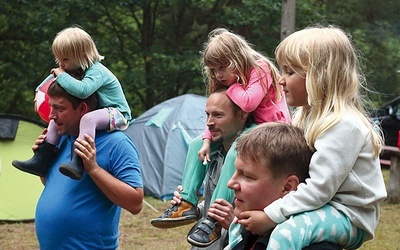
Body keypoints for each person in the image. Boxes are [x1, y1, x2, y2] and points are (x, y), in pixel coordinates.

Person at [234, 25, 387, 249]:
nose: (281, 80)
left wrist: (270, 215)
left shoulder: (344, 125)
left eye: (290, 72)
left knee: (285, 234)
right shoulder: (305, 118)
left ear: (320, 76)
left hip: (347, 215)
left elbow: (319, 189)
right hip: (321, 205)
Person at [152, 27, 291, 248]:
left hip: (271, 130)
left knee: (239, 146)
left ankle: (214, 217)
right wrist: (207, 140)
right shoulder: (232, 81)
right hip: (252, 127)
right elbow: (221, 117)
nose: (218, 75)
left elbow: (247, 103)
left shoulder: (260, 68)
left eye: (222, 67)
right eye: (213, 70)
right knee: (198, 142)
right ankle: (187, 202)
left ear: (237, 58)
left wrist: (230, 86)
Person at [33, 80, 143, 249]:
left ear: (82, 110)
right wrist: (45, 161)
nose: (51, 116)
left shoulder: (117, 144)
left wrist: (93, 168)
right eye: (51, 107)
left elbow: (135, 203)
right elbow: (53, 185)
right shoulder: (63, 138)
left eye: (59, 109)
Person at [12, 25, 131, 180]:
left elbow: (83, 90)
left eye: (65, 59)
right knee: (55, 119)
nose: (60, 64)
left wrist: (61, 75)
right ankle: (42, 159)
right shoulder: (70, 69)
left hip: (118, 114)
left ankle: (77, 162)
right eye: (58, 59)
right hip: (100, 112)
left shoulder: (97, 71)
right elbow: (47, 82)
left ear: (82, 55)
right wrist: (38, 93)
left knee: (88, 119)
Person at [151, 87, 252, 249]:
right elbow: (211, 199)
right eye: (207, 114)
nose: (209, 123)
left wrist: (234, 221)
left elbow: (271, 220)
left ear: (242, 115)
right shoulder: (210, 154)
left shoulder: (256, 165)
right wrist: (196, 209)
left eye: (218, 115)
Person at [225, 122, 342, 249]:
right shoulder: (247, 233)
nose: (231, 183)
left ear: (287, 187)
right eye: (235, 171)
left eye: (247, 176)